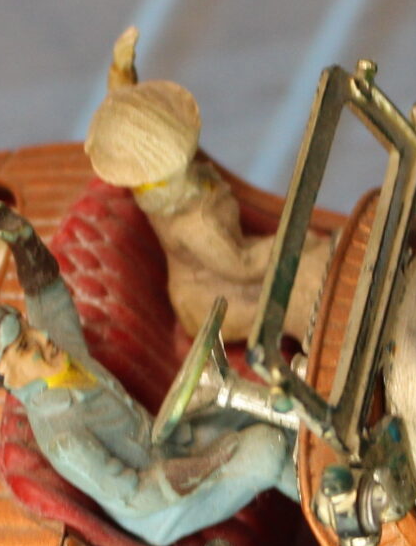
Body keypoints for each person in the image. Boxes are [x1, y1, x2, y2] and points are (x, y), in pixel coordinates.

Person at [0, 206, 296, 546]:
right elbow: (134, 495)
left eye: (29, 327)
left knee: (260, 404)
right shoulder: (64, 439)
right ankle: (329, 511)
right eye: (24, 346)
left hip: (167, 443)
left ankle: (315, 445)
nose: (43, 337)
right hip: (164, 509)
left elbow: (46, 296)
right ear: (3, 376)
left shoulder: (60, 356)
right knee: (266, 449)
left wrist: (24, 242)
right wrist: (209, 464)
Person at [85, 27, 332, 343]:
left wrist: (121, 70)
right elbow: (243, 266)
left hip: (233, 264)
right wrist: (299, 243)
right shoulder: (197, 224)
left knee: (317, 260)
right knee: (305, 294)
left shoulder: (152, 184)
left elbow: (129, 116)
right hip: (216, 299)